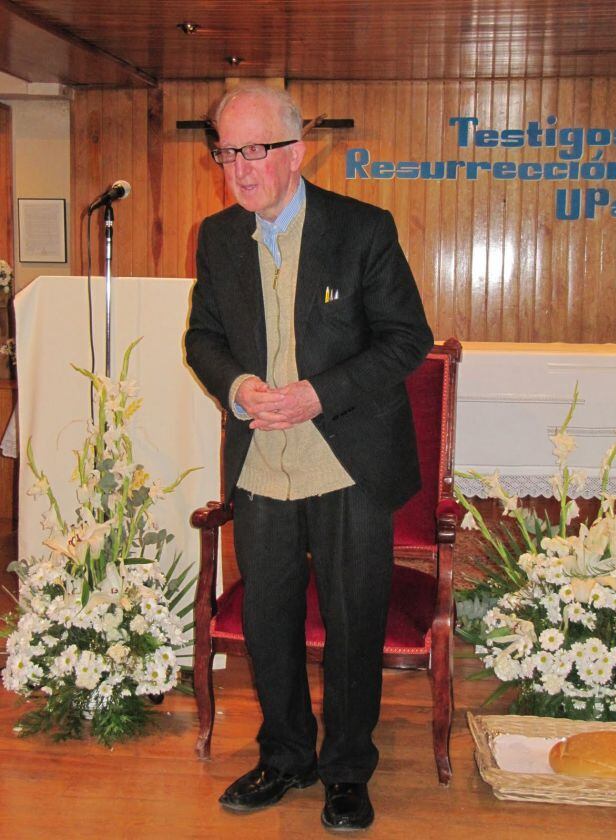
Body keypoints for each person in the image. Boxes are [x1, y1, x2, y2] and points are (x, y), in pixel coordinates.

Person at [185, 85, 433, 831]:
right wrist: (238, 386)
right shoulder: (218, 235)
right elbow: (202, 339)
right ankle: (286, 755)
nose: (237, 167)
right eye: (226, 151)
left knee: (355, 620)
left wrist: (318, 395)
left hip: (348, 454)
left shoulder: (363, 230)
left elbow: (405, 338)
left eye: (253, 150)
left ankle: (348, 770)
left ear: (294, 153)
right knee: (268, 619)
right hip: (262, 460)